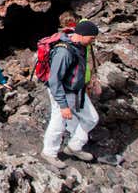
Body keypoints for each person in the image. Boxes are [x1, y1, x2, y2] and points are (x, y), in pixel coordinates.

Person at [41, 20, 100, 169]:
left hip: (77, 90)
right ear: (82, 35)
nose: (93, 41)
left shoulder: (80, 46)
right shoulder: (64, 51)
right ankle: (49, 152)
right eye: (92, 38)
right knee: (59, 121)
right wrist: (63, 105)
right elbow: (54, 80)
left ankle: (74, 146)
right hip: (63, 92)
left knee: (92, 118)